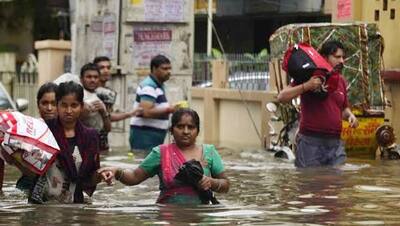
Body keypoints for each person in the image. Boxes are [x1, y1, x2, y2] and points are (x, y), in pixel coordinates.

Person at [98, 108, 229, 204]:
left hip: (201, 218)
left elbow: (226, 185)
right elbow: (134, 177)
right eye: (180, 126)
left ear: (198, 131)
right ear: (171, 130)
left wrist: (211, 182)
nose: (185, 131)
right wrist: (116, 171)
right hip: (167, 216)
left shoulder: (209, 152)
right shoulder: (160, 153)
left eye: (191, 127)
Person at [277, 40, 359, 168]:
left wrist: (350, 116)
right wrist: (307, 85)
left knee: (337, 183)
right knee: (310, 183)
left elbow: (343, 108)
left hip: (335, 143)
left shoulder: (341, 81)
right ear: (324, 58)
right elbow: (282, 97)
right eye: (337, 57)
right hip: (310, 142)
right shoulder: (310, 76)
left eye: (343, 57)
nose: (342, 61)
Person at [93, 56, 142, 152]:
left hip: (102, 139)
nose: (106, 70)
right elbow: (109, 117)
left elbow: (107, 117)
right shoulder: (89, 92)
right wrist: (130, 114)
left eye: (108, 67)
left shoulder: (109, 93)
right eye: (102, 68)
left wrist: (128, 113)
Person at [129, 55, 176, 151]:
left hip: (151, 136)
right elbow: (146, 112)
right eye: (164, 69)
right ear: (154, 69)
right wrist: (169, 109)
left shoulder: (157, 85)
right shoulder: (149, 86)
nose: (168, 72)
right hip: (145, 136)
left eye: (169, 69)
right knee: (144, 163)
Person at [79, 63, 111, 153]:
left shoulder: (102, 96)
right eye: (89, 77)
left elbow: (108, 129)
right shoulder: (78, 95)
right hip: (82, 142)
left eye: (95, 77)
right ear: (81, 79)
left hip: (99, 142)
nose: (93, 80)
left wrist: (103, 112)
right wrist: (85, 111)